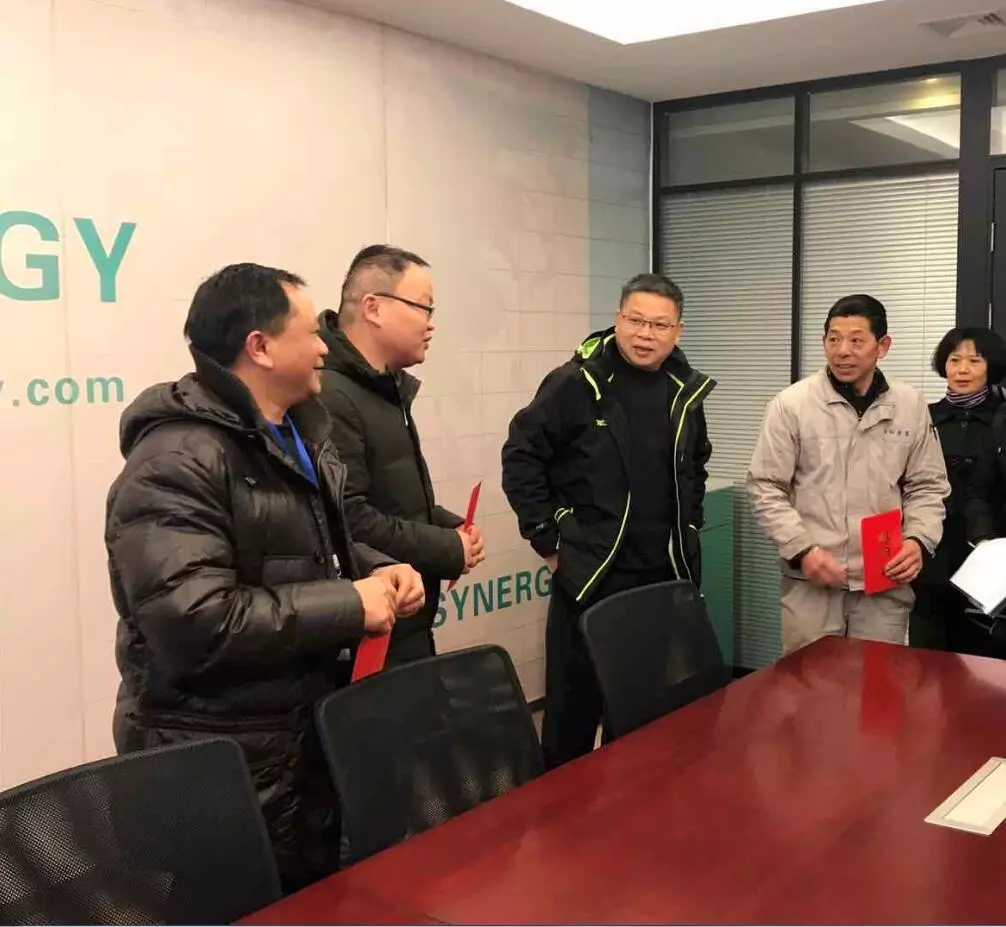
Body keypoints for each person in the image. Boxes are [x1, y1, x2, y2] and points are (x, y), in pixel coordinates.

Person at [106, 263, 426, 893]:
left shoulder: (294, 432)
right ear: (260, 346)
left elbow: (306, 546)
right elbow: (194, 618)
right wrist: (349, 604)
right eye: (310, 333)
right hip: (222, 762)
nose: (324, 347)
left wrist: (377, 571)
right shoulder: (175, 460)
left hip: (297, 744)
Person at [501, 272, 714, 769]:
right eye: (636, 320)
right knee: (571, 720)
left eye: (659, 325)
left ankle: (628, 806)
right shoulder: (577, 383)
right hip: (591, 575)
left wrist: (690, 526)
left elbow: (696, 465)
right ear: (618, 319)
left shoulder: (684, 390)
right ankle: (560, 813)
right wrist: (549, 541)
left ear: (678, 331)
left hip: (661, 576)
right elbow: (521, 456)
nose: (646, 334)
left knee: (642, 714)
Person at [747, 294, 949, 655]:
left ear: (882, 346)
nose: (842, 351)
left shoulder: (909, 405)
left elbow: (928, 485)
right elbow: (766, 487)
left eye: (856, 340)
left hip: (883, 580)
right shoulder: (791, 405)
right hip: (812, 581)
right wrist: (802, 549)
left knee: (878, 681)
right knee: (812, 682)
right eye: (834, 339)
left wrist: (918, 540)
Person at [317, 245, 486, 665]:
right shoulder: (332, 395)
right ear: (373, 308)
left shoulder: (382, 386)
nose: (431, 324)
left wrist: (447, 525)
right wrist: (445, 547)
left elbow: (389, 495)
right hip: (370, 628)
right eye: (423, 308)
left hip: (406, 619)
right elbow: (348, 517)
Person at [911, 328, 1006, 654]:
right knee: (929, 651)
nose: (962, 370)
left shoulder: (1001, 418)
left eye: (974, 361)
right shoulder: (925, 416)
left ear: (992, 366)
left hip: (990, 554)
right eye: (954, 360)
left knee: (984, 656)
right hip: (934, 551)